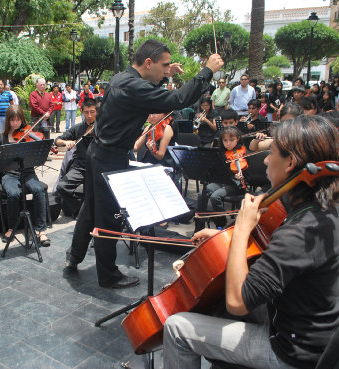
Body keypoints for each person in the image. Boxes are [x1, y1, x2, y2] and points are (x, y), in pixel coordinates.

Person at [163, 115, 339, 369]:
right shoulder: (333, 210)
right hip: (318, 326)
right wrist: (225, 237)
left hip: (291, 350)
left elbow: (238, 302)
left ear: (291, 163)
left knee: (177, 328)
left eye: (272, 152)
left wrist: (241, 229)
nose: (265, 159)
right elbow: (281, 258)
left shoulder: (300, 232)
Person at [64, 39, 224, 288]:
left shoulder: (122, 78)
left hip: (99, 153)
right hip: (110, 157)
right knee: (109, 218)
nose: (167, 69)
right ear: (148, 62)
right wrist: (207, 71)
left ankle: (74, 257)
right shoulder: (133, 86)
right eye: (164, 65)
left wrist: (163, 75)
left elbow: (149, 89)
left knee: (90, 208)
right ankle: (107, 275)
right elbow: (178, 99)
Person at [0, 105, 51, 246]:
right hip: (10, 174)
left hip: (28, 172)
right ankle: (11, 227)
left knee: (38, 190)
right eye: (12, 120)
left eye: (18, 120)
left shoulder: (28, 133)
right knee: (13, 194)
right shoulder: (1, 137)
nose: (15, 123)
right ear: (8, 121)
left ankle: (41, 230)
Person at [196, 126, 246, 230]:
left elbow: (248, 171)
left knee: (215, 196)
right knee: (202, 193)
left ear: (238, 139)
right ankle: (199, 222)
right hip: (223, 182)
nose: (228, 143)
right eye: (225, 140)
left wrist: (240, 175)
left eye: (232, 140)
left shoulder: (243, 152)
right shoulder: (220, 153)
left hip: (236, 184)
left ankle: (221, 222)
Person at [55, 99, 98, 218]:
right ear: (82, 112)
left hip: (97, 167)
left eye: (92, 112)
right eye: (86, 112)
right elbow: (57, 140)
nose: (89, 116)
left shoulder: (103, 128)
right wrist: (65, 142)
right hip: (80, 167)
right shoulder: (78, 128)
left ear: (97, 112)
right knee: (61, 187)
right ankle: (79, 208)